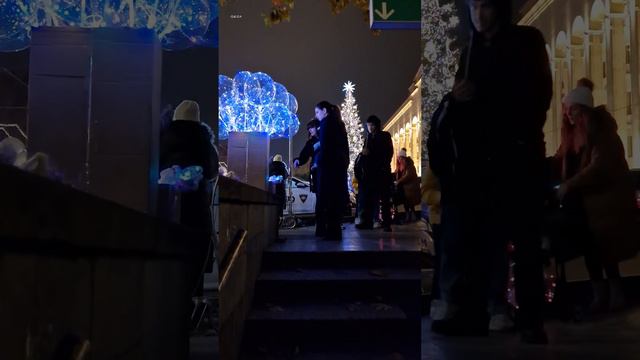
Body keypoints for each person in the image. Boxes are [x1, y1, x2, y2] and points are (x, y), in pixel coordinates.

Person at [431, 0, 553, 344]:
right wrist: (456, 98)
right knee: (482, 241)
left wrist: (492, 106)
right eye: (472, 8)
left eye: (485, 7)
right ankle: (475, 312)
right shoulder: (470, 50)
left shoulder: (526, 41)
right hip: (479, 164)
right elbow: (460, 107)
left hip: (518, 158)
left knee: (525, 242)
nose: (478, 15)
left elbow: (538, 95)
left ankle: (531, 318)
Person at [554, 84, 639, 314]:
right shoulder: (573, 136)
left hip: (605, 206)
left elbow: (600, 166)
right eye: (568, 111)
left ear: (585, 111)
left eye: (574, 111)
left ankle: (613, 296)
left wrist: (569, 184)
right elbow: (560, 160)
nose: (570, 115)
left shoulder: (602, 134)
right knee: (593, 252)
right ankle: (602, 297)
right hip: (587, 207)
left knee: (605, 252)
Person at [160, 100, 219, 297]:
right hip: (197, 209)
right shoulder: (204, 143)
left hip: (168, 209)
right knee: (195, 264)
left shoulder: (163, 138)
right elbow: (211, 172)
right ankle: (193, 312)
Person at [315, 101, 349, 240]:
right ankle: (335, 231)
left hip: (328, 168)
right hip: (338, 167)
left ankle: (331, 232)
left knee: (327, 200)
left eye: (317, 112)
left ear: (324, 110)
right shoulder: (339, 123)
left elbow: (325, 147)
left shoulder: (326, 124)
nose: (316, 116)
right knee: (335, 200)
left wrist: (319, 162)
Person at [356, 115, 394, 232]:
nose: (369, 127)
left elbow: (387, 153)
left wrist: (370, 153)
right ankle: (367, 222)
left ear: (375, 125)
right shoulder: (368, 138)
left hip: (381, 173)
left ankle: (386, 223)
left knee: (384, 198)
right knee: (369, 199)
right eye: (368, 125)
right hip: (370, 174)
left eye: (370, 125)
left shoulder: (384, 136)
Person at [293, 118, 321, 193]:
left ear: (318, 127)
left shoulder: (327, 139)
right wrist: (298, 160)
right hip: (316, 172)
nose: (310, 130)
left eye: (312, 127)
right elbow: (304, 155)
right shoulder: (310, 143)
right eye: (308, 128)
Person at [394, 149, 421, 223]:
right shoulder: (400, 167)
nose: (399, 160)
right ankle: (401, 215)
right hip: (404, 189)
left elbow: (408, 176)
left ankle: (402, 215)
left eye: (401, 158)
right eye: (398, 158)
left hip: (410, 191)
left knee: (400, 199)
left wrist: (398, 181)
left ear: (404, 158)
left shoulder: (410, 166)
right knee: (398, 199)